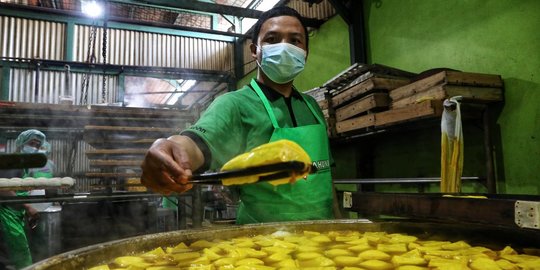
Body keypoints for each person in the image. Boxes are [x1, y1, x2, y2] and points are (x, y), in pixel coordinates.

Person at [141, 6, 337, 224]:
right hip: (262, 245)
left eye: (295, 41)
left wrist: (341, 226)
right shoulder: (234, 105)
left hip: (323, 242)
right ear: (255, 50)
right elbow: (195, 143)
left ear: (305, 52)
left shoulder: (312, 106)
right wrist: (171, 148)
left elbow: (325, 180)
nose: (284, 47)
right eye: (272, 39)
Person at [0, 129, 45, 269]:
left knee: (16, 253)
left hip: (15, 213)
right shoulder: (14, 162)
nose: (34, 148)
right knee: (20, 254)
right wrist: (27, 206)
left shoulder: (23, 164)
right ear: (21, 143)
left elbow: (15, 186)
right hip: (7, 214)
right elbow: (3, 188)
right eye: (32, 143)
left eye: (38, 145)